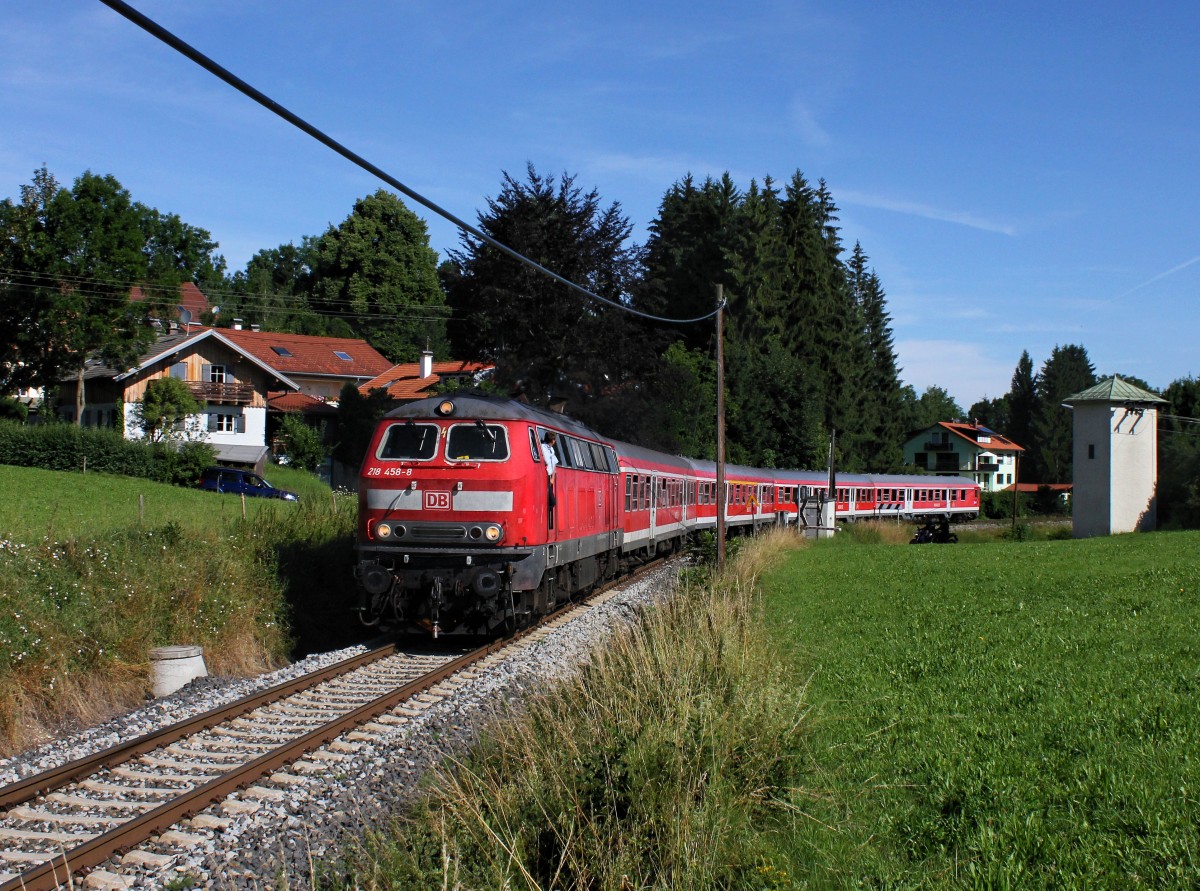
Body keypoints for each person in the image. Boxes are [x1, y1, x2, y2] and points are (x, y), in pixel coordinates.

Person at [541, 431, 558, 526]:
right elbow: (546, 462)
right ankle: (544, 522)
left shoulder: (551, 449)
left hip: (549, 478)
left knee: (550, 501)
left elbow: (554, 464)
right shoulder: (542, 448)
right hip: (545, 477)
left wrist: (553, 478)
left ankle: (545, 521)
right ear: (552, 440)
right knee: (552, 501)